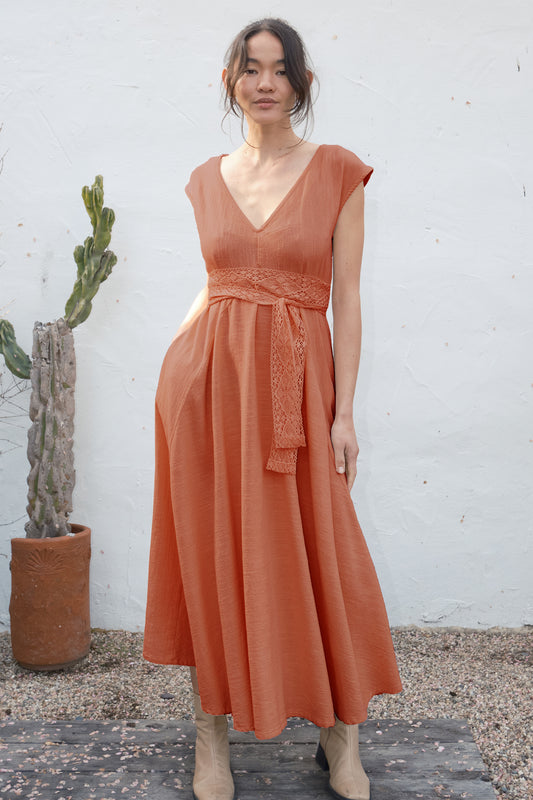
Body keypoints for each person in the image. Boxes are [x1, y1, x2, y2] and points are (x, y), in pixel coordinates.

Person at [143, 16, 402, 800]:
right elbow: (220, 282)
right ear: (231, 81)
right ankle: (210, 736)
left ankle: (339, 732)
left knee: (323, 549)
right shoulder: (202, 179)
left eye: (279, 68)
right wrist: (174, 370)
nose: (263, 82)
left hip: (298, 388)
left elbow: (347, 300)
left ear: (300, 83)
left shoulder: (335, 172)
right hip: (207, 391)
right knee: (215, 553)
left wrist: (344, 413)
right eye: (249, 67)